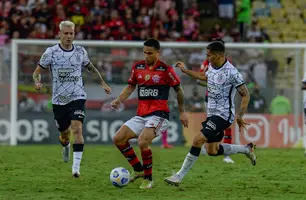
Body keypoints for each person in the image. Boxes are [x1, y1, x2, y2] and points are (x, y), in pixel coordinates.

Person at [164, 41, 256, 186]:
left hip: (224, 115)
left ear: (219, 55)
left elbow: (245, 94)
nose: (207, 58)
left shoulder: (232, 72)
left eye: (209, 55)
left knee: (197, 140)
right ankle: (246, 149)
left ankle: (178, 176)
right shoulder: (212, 66)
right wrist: (186, 71)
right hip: (212, 114)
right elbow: (205, 77)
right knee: (212, 150)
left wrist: (240, 115)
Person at [32, 20, 111, 178]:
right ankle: (65, 145)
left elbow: (91, 68)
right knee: (64, 135)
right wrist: (37, 81)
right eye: (65, 33)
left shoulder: (80, 52)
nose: (68, 36)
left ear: (74, 34)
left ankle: (76, 169)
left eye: (71, 33)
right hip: (59, 100)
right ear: (59, 34)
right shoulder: (51, 52)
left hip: (77, 96)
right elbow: (37, 71)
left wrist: (102, 83)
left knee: (77, 129)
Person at [111, 38, 189, 189]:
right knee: (118, 139)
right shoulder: (138, 67)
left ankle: (148, 178)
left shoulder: (166, 70)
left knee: (142, 141)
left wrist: (182, 112)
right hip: (141, 115)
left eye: (150, 53)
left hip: (159, 115)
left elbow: (179, 90)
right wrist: (119, 100)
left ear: (158, 53)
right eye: (144, 53)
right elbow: (130, 87)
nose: (146, 56)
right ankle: (139, 170)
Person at [198, 38, 235, 164]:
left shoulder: (228, 63)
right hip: (211, 98)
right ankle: (208, 146)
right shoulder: (207, 62)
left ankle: (226, 155)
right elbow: (200, 79)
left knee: (228, 126)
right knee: (210, 124)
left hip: (224, 100)